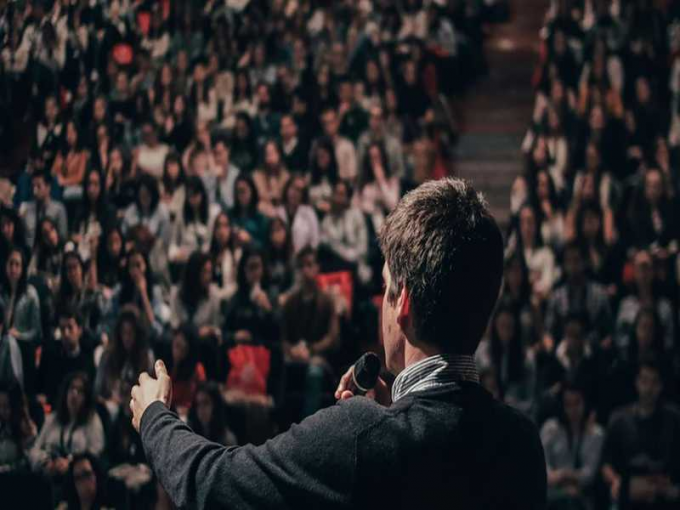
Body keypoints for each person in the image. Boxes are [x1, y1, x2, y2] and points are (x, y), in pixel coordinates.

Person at [130, 178, 546, 509]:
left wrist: (154, 416)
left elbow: (213, 486)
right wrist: (394, 418)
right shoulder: (522, 445)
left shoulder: (359, 437)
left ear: (403, 303)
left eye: (384, 287)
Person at [601, 360, 680, 509]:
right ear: (637, 382)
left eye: (654, 382)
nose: (649, 388)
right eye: (644, 381)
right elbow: (606, 462)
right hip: (630, 491)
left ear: (661, 386)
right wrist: (615, 481)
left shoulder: (674, 419)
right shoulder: (620, 419)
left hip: (664, 493)